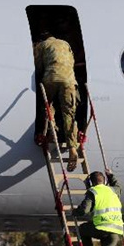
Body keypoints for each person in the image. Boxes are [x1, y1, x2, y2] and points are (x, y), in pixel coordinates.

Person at [34, 30, 79, 171]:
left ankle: (52, 133)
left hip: (51, 78)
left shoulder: (42, 45)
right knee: (69, 113)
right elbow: (72, 61)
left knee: (48, 106)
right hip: (69, 80)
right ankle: (72, 147)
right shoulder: (65, 44)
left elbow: (38, 66)